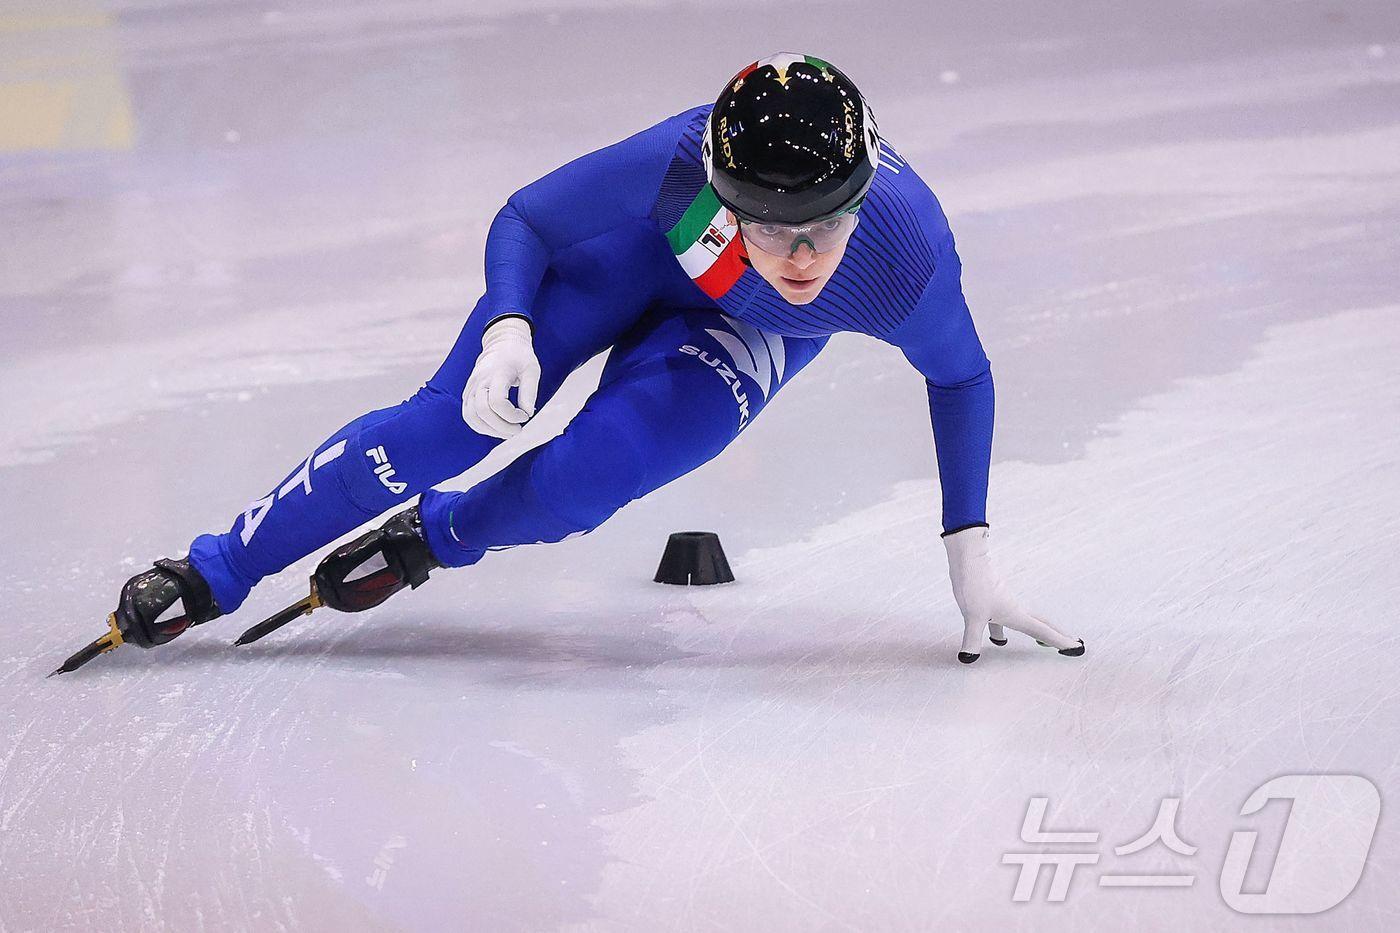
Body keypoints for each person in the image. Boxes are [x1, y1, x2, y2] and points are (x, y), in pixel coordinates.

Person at [98, 52, 1082, 667]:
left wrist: (969, 552)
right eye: (765, 228)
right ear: (717, 187)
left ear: (862, 206)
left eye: (821, 232)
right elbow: (526, 216)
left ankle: (435, 536)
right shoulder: (674, 160)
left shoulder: (907, 263)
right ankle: (216, 567)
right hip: (627, 262)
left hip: (737, 334)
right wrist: (507, 328)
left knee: (586, 479)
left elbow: (960, 376)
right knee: (453, 422)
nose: (795, 259)